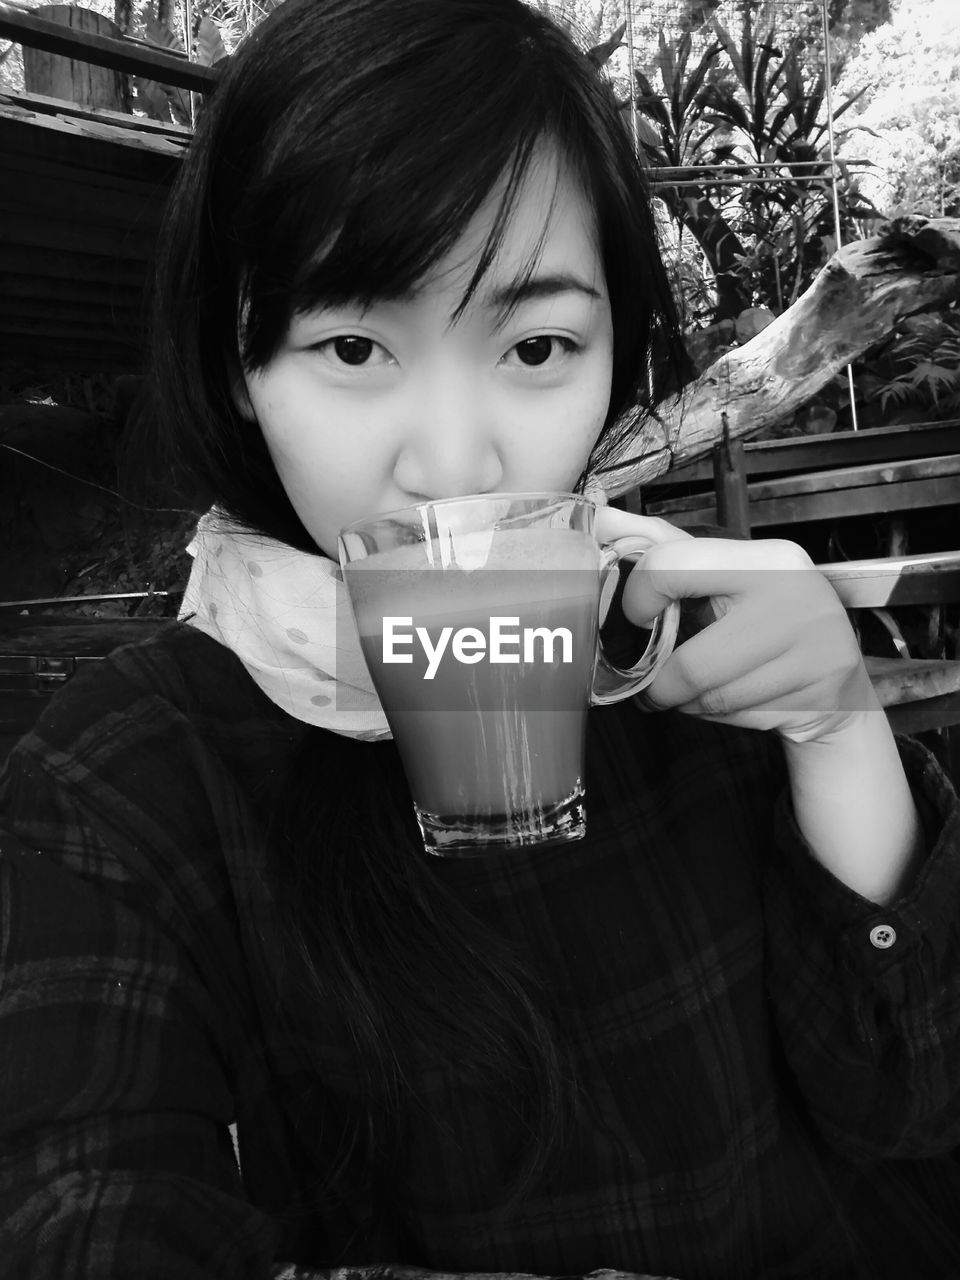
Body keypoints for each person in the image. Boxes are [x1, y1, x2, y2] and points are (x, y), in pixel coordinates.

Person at [2, 1, 959, 1277]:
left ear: (618, 352)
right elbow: (79, 1204)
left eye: (537, 344)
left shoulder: (698, 655)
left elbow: (915, 1107)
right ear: (240, 362)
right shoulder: (126, 775)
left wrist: (838, 732)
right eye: (353, 345)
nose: (453, 461)